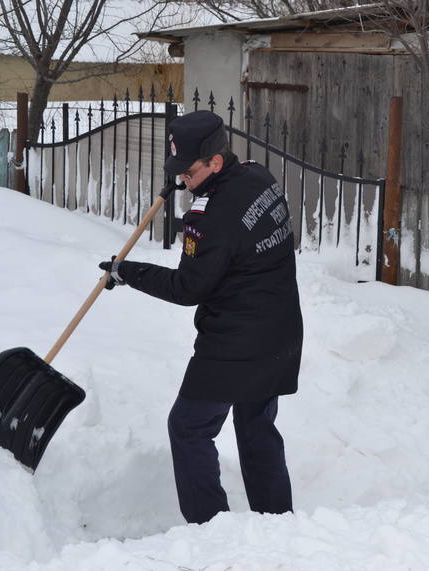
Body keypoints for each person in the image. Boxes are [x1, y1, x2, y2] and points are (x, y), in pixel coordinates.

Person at [98, 110, 303, 524]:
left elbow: (188, 289)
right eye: (177, 171)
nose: (183, 181)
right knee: (257, 427)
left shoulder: (209, 218)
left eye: (188, 172)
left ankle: (210, 528)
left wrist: (127, 270)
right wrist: (186, 181)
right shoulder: (258, 176)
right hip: (280, 331)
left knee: (189, 428)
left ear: (214, 161)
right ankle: (278, 523)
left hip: (234, 342)